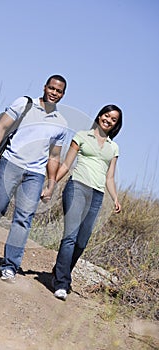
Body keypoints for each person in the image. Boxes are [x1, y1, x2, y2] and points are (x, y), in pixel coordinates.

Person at [0, 74, 68, 282]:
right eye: (52, 88)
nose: (54, 93)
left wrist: (51, 184)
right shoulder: (24, 104)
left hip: (35, 174)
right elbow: (2, 127)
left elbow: (54, 156)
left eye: (59, 91)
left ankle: (10, 265)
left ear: (63, 94)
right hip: (10, 163)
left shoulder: (61, 124)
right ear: (45, 87)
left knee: (23, 219)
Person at [52, 104, 123, 301]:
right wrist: (51, 184)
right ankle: (62, 282)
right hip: (77, 187)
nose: (108, 120)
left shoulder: (113, 147)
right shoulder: (82, 136)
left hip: (97, 195)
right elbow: (67, 164)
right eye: (106, 115)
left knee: (82, 241)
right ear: (100, 115)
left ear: (116, 125)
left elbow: (110, 177)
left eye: (113, 119)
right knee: (70, 237)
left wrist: (115, 197)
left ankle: (59, 271)